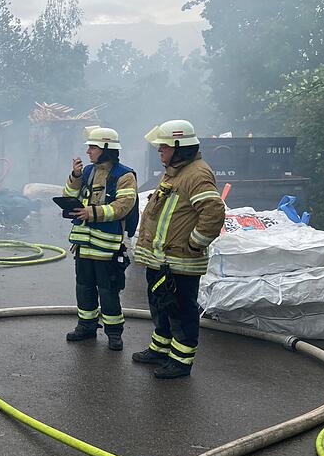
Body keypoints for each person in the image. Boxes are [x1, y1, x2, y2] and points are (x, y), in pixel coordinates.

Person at [132, 119, 226, 379]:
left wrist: (195, 242)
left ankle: (181, 362)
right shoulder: (176, 170)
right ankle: (160, 350)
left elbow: (214, 211)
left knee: (181, 311)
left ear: (178, 146)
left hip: (181, 261)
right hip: (164, 260)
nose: (159, 151)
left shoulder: (196, 174)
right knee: (162, 306)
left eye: (163, 147)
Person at [63, 126, 138, 351]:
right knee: (84, 288)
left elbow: (123, 207)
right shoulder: (86, 172)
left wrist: (92, 213)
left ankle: (114, 333)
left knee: (108, 291)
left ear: (106, 148)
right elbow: (69, 195)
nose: (88, 152)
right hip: (84, 245)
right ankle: (86, 326)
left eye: (93, 147)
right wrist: (75, 177)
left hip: (107, 246)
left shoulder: (124, 175)